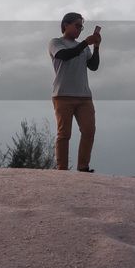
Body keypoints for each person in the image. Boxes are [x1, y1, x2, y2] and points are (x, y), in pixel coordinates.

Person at [48, 12, 101, 172]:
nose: (80, 29)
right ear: (66, 25)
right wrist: (85, 43)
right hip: (63, 94)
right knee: (64, 134)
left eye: (81, 27)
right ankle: (62, 168)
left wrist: (96, 46)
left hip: (84, 96)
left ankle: (83, 166)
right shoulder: (56, 42)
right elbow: (65, 56)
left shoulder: (83, 47)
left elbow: (93, 66)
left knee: (89, 130)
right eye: (77, 25)